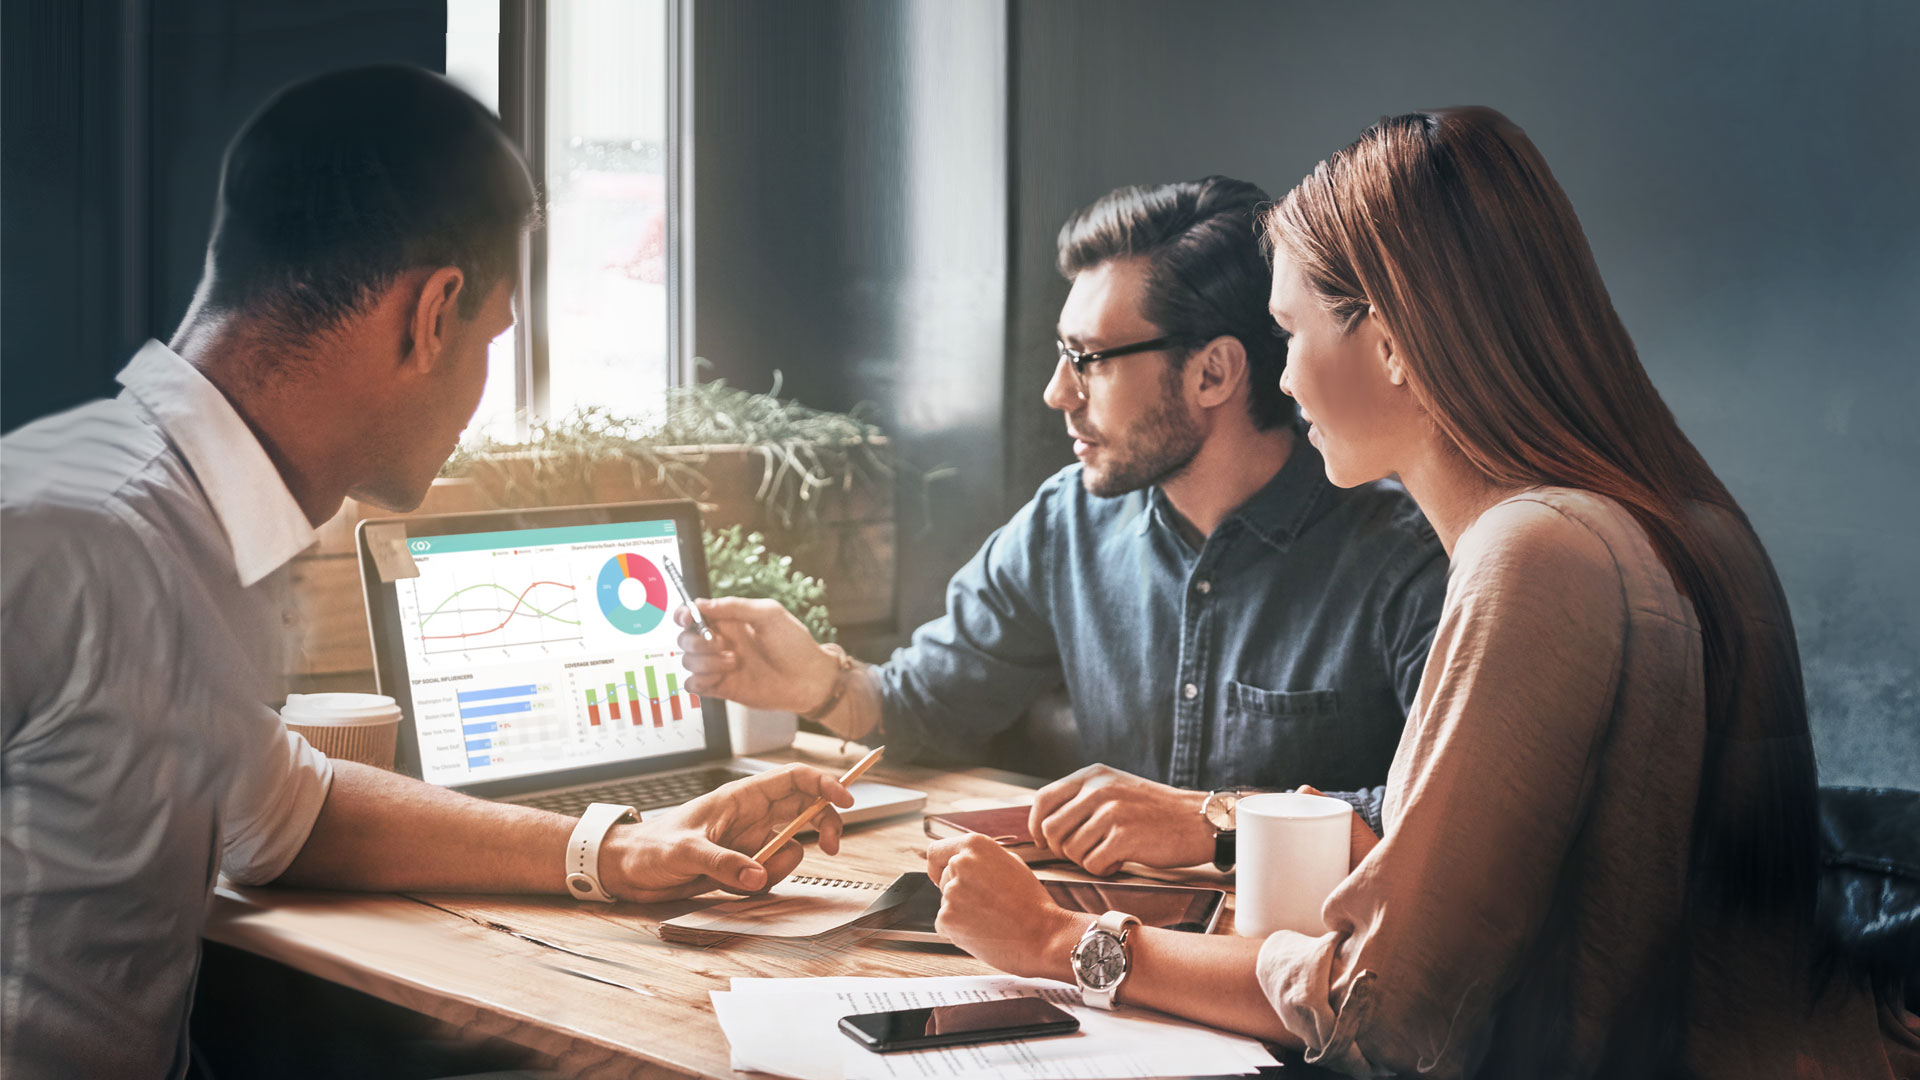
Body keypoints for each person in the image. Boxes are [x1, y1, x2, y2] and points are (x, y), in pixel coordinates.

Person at [926, 107, 1909, 1077]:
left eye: (1289, 333)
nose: (1285, 378)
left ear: (1393, 340)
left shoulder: (1536, 555)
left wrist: (1059, 942)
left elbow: (1379, 1012)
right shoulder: (1677, 521)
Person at [0, 66, 852, 1080]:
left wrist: (619, 850)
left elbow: (286, 812)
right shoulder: (65, 536)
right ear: (431, 314)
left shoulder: (188, 530)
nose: (482, 391)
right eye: (492, 337)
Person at [678, 178, 1446, 877]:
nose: (1056, 394)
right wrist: (819, 680)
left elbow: (1436, 825)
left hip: (1300, 983)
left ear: (1213, 372)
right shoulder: (1067, 520)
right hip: (1103, 964)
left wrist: (1210, 820)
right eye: (1061, 356)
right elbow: (926, 706)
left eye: (1089, 360)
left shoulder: (1407, 556)